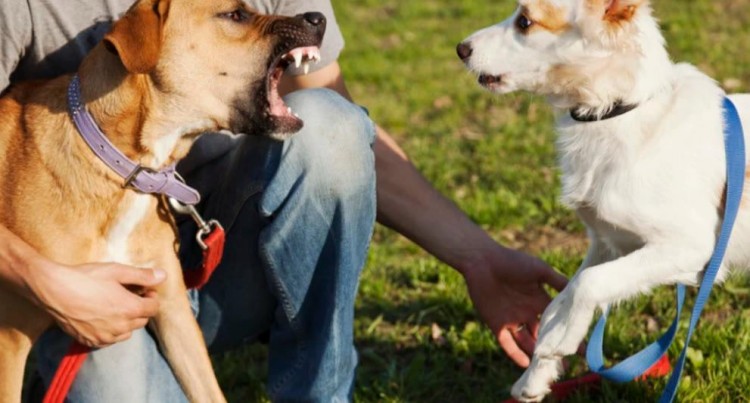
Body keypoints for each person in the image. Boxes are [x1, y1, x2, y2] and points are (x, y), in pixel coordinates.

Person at [0, 0, 567, 401]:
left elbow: (344, 140)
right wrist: (42, 279)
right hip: (72, 289)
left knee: (331, 125)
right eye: (236, 14)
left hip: (218, 254)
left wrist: (478, 257)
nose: (258, 21)